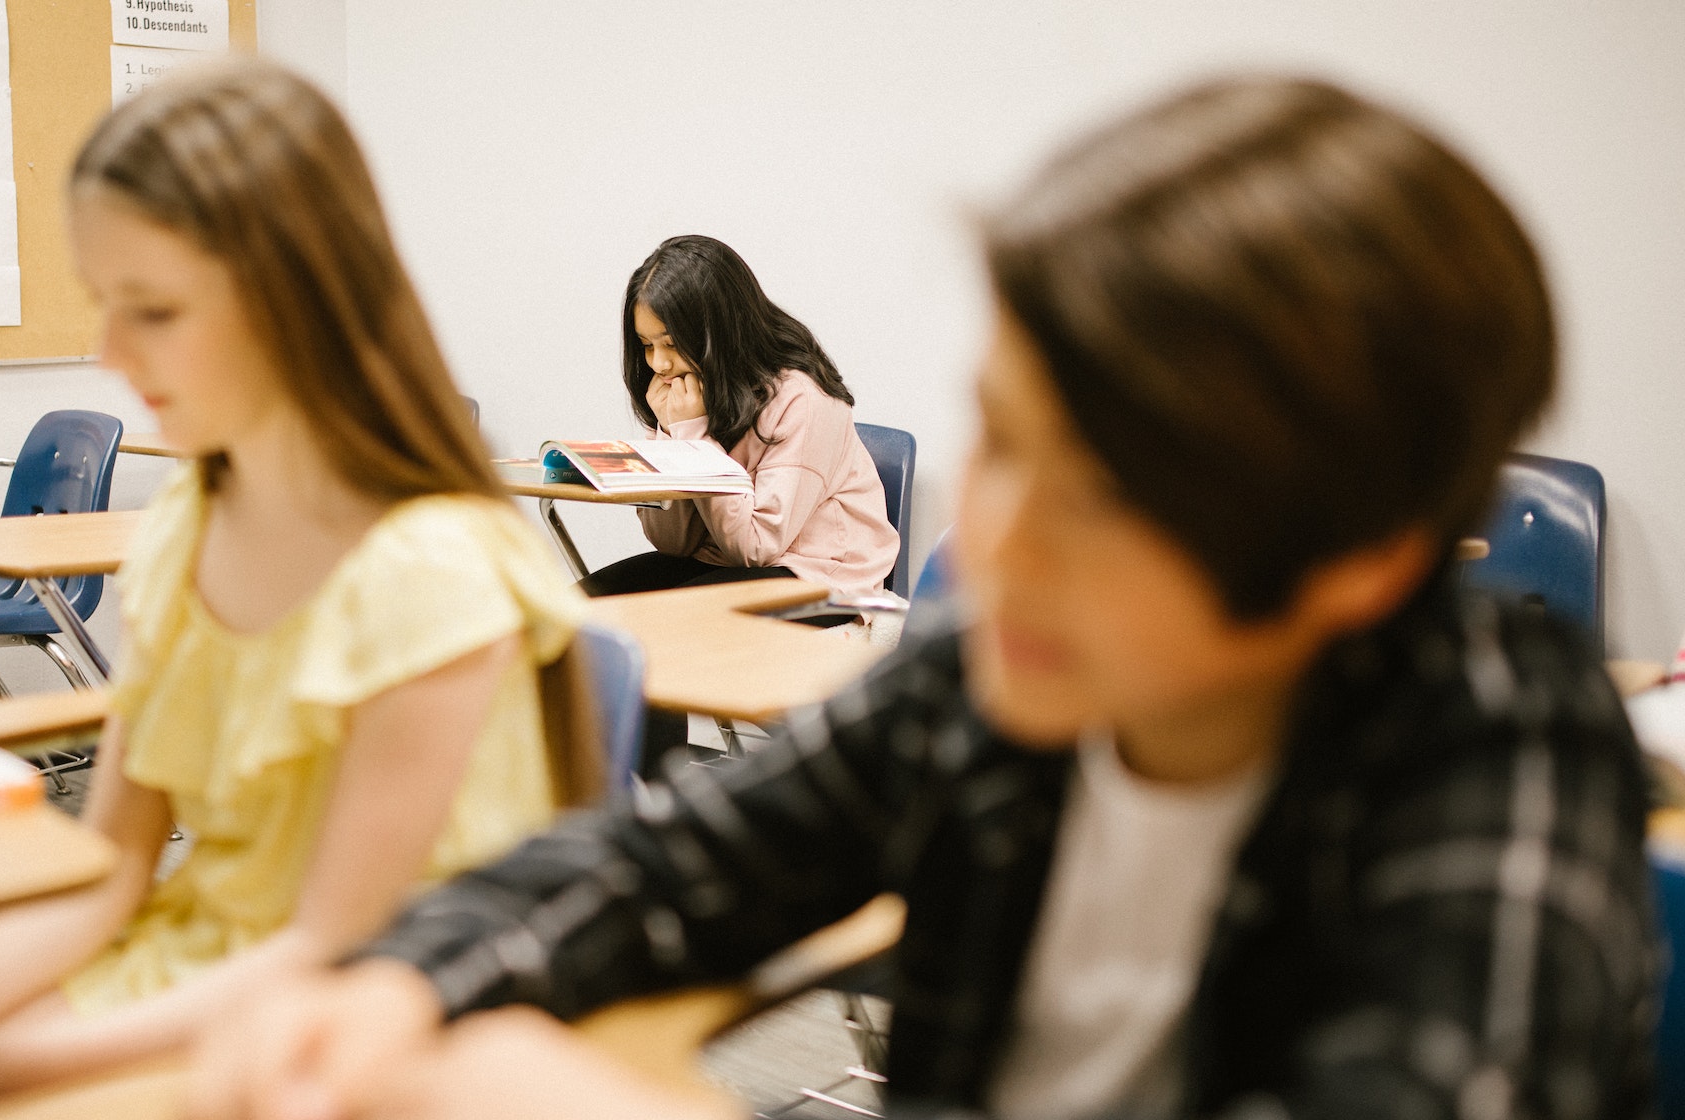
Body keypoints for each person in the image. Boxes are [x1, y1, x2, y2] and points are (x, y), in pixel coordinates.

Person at [188, 75, 1655, 1120]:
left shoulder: (1500, 754)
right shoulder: (995, 675)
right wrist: (395, 985)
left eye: (1099, 494)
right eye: (995, 437)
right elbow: (663, 865)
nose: (990, 544)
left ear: (1363, 561)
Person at [0, 61, 601, 1120]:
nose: (109, 353)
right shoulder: (187, 530)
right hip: (193, 981)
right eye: (105, 305)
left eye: (152, 309)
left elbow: (330, 946)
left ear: (297, 301)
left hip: (354, 1031)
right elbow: (112, 862)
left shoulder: (432, 569)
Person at [577, 234, 899, 600]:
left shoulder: (804, 400)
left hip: (817, 573)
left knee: (666, 621)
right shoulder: (691, 395)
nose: (659, 364)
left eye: (671, 343)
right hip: (722, 562)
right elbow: (673, 543)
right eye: (647, 346)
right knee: (577, 607)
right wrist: (672, 433)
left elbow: (757, 547)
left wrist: (692, 440)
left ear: (720, 334)